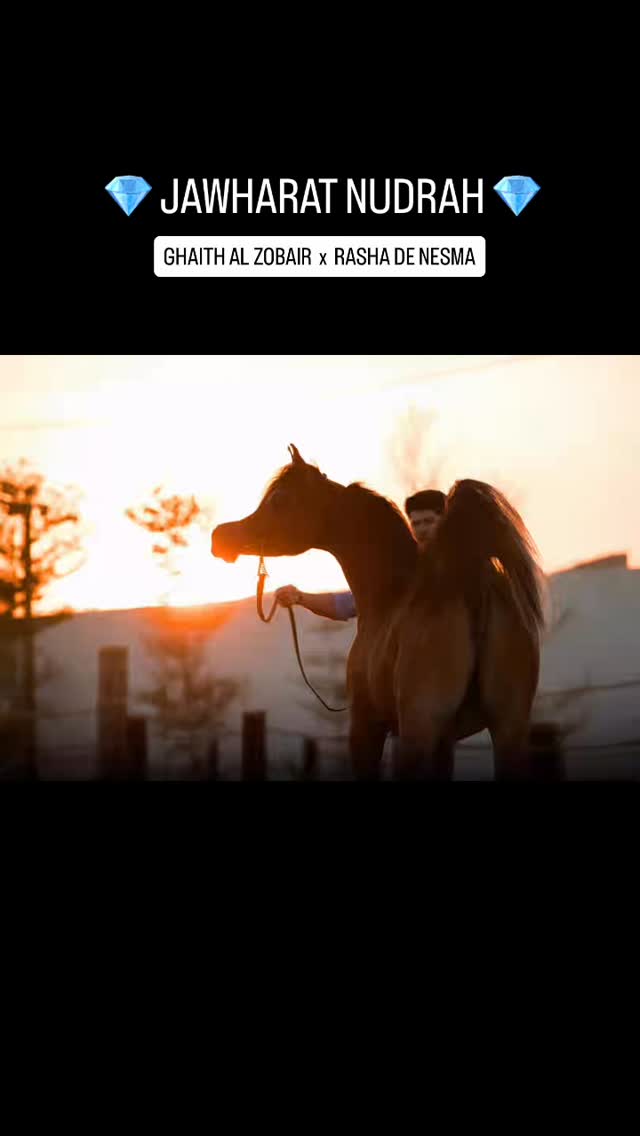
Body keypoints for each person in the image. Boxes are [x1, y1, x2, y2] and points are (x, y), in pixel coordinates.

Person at [275, 489, 447, 621]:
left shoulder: (459, 563)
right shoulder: (405, 567)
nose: (422, 529)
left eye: (429, 521)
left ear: (446, 520)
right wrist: (300, 597)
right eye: (416, 523)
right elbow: (348, 604)